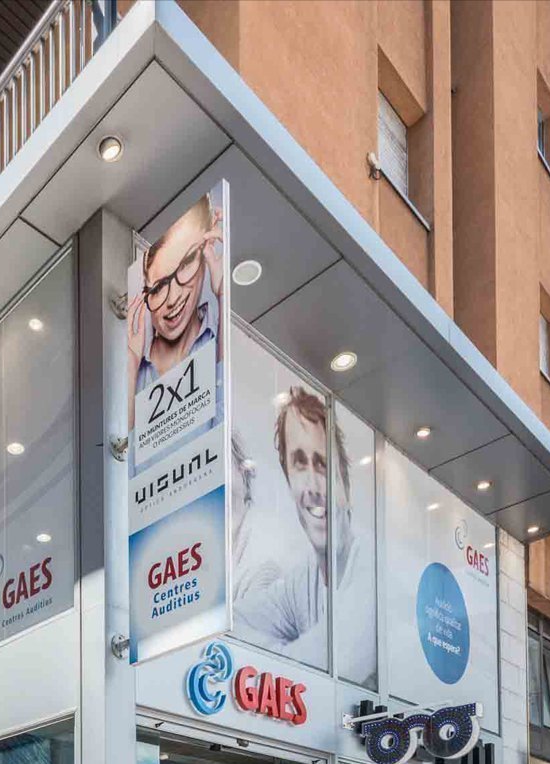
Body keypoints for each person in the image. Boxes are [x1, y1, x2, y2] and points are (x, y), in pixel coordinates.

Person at [231, 388, 374, 677]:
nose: (312, 487)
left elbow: (308, 674)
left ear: (345, 484)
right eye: (299, 464)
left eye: (322, 465)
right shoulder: (303, 582)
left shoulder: (369, 579)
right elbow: (232, 623)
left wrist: (273, 653)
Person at [126, 194, 224, 437]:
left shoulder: (220, 342)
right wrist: (131, 362)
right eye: (158, 287)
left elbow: (222, 432)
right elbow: (119, 454)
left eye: (186, 263)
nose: (173, 298)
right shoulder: (137, 371)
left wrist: (224, 294)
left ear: (207, 248)